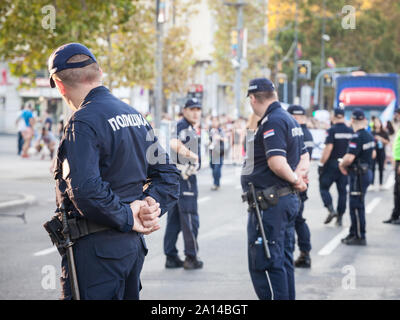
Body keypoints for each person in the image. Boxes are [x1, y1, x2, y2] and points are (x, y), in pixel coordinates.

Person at [48, 42, 180, 300]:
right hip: (130, 249)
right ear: (99, 73)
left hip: (96, 251)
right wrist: (151, 205)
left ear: (60, 86)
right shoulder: (134, 115)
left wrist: (129, 215)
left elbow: (85, 190)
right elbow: (169, 175)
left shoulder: (83, 121)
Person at [241, 78, 310, 300]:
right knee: (282, 259)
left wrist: (295, 179)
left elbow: (276, 162)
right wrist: (298, 176)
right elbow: (305, 156)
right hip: (283, 200)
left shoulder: (273, 121)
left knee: (263, 261)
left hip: (271, 203)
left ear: (253, 99)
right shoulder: (290, 119)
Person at [164, 98, 204, 270]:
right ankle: (191, 256)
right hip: (185, 179)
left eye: (198, 109)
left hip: (176, 179)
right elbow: (174, 143)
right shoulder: (184, 127)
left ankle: (171, 256)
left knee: (174, 220)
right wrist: (193, 157)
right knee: (189, 218)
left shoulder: (183, 126)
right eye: (192, 109)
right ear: (185, 110)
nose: (196, 112)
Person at [339, 109, 375, 246]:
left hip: (357, 175)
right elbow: (373, 155)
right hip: (366, 172)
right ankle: (354, 232)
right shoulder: (369, 135)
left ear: (352, 120)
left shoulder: (357, 136)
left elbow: (349, 158)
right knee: (357, 203)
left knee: (355, 205)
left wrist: (342, 164)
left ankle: (359, 235)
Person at [287, 105, 313, 268]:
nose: (297, 120)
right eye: (294, 117)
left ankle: (304, 253)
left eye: (299, 117)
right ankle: (304, 253)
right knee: (297, 219)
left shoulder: (300, 133)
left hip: (297, 181)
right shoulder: (304, 132)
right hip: (299, 180)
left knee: (295, 219)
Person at [318, 109, 354, 226]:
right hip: (345, 164)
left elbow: (328, 148)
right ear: (343, 116)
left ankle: (331, 209)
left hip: (332, 164)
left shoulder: (332, 130)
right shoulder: (351, 130)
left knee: (323, 187)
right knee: (342, 192)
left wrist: (321, 163)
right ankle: (340, 217)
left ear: (334, 117)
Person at [383, 112, 400, 224]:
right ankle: (395, 215)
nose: (396, 117)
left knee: (398, 191)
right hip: (397, 161)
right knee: (397, 191)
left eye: (397, 115)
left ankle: (396, 216)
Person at [371, 117, 390, 190]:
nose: (377, 124)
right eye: (375, 123)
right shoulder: (372, 132)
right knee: (372, 168)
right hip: (374, 152)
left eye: (378, 122)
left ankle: (381, 184)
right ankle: (372, 184)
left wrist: (381, 139)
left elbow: (388, 142)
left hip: (381, 151)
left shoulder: (384, 132)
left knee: (381, 168)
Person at [209, 117, 226, 190]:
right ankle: (216, 182)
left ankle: (216, 183)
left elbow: (225, 139)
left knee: (217, 168)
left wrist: (219, 137)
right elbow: (208, 140)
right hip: (212, 152)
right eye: (213, 121)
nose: (214, 123)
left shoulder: (220, 130)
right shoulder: (210, 130)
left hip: (219, 152)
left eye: (216, 121)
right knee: (212, 167)